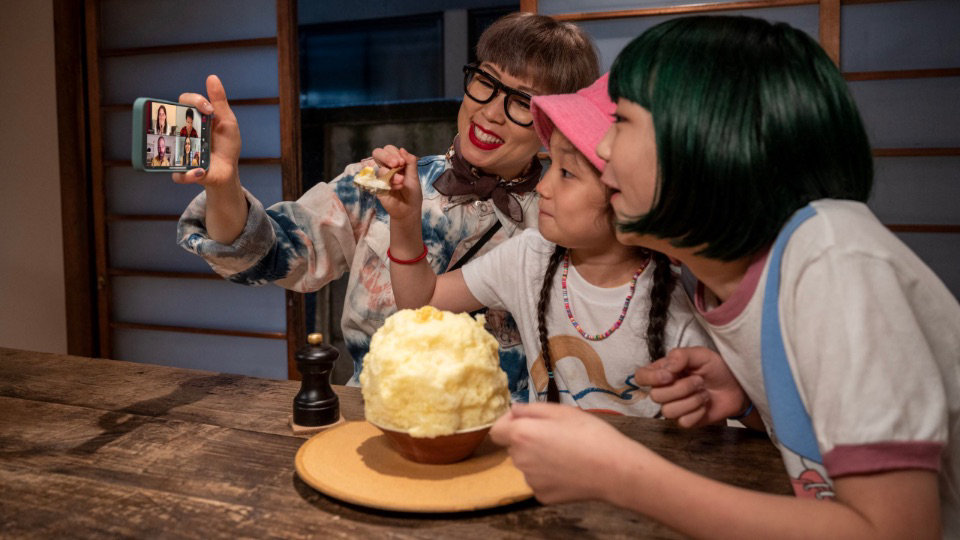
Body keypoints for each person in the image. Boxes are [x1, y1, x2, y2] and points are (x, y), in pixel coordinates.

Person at [490, 15, 959, 538]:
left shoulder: (836, 260)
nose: (601, 149)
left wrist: (622, 475)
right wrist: (755, 404)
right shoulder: (721, 279)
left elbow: (898, 530)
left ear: (704, 141)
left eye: (620, 121)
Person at [174, 13, 600, 398]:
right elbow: (268, 256)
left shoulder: (560, 218)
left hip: (503, 432)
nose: (490, 111)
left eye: (523, 101)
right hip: (375, 412)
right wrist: (224, 184)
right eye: (485, 82)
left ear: (552, 123)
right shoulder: (383, 182)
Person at [381, 74, 712, 411]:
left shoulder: (683, 298)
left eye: (567, 173)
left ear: (629, 190)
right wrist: (405, 219)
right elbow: (421, 302)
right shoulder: (530, 256)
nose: (543, 187)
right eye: (551, 165)